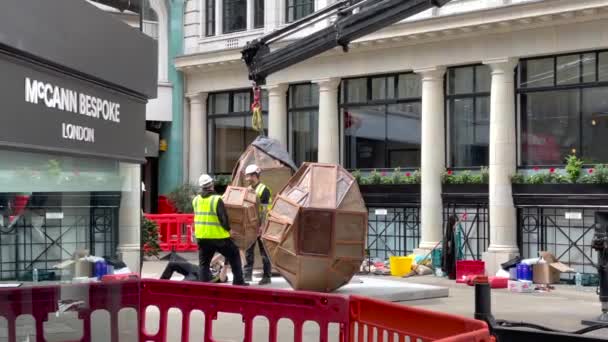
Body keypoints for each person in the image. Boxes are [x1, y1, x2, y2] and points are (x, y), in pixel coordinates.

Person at [193, 174, 248, 286]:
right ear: (211, 185)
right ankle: (238, 281)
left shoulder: (196, 200)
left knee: (204, 264)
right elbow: (223, 218)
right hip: (218, 237)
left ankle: (204, 286)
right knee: (234, 254)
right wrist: (229, 230)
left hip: (202, 237)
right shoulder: (217, 199)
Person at [243, 164, 273, 285]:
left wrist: (262, 226)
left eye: (249, 176)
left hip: (262, 224)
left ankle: (267, 276)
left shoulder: (263, 190)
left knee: (264, 251)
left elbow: (265, 210)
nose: (247, 178)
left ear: (255, 175)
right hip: (251, 224)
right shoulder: (249, 189)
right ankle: (247, 275)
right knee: (248, 250)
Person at [160, 254, 228, 283]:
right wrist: (223, 253)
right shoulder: (212, 267)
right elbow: (212, 261)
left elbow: (222, 278)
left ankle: (166, 293)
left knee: (182, 285)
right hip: (193, 268)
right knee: (172, 263)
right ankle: (160, 285)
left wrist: (225, 264)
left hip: (198, 277)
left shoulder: (222, 275)